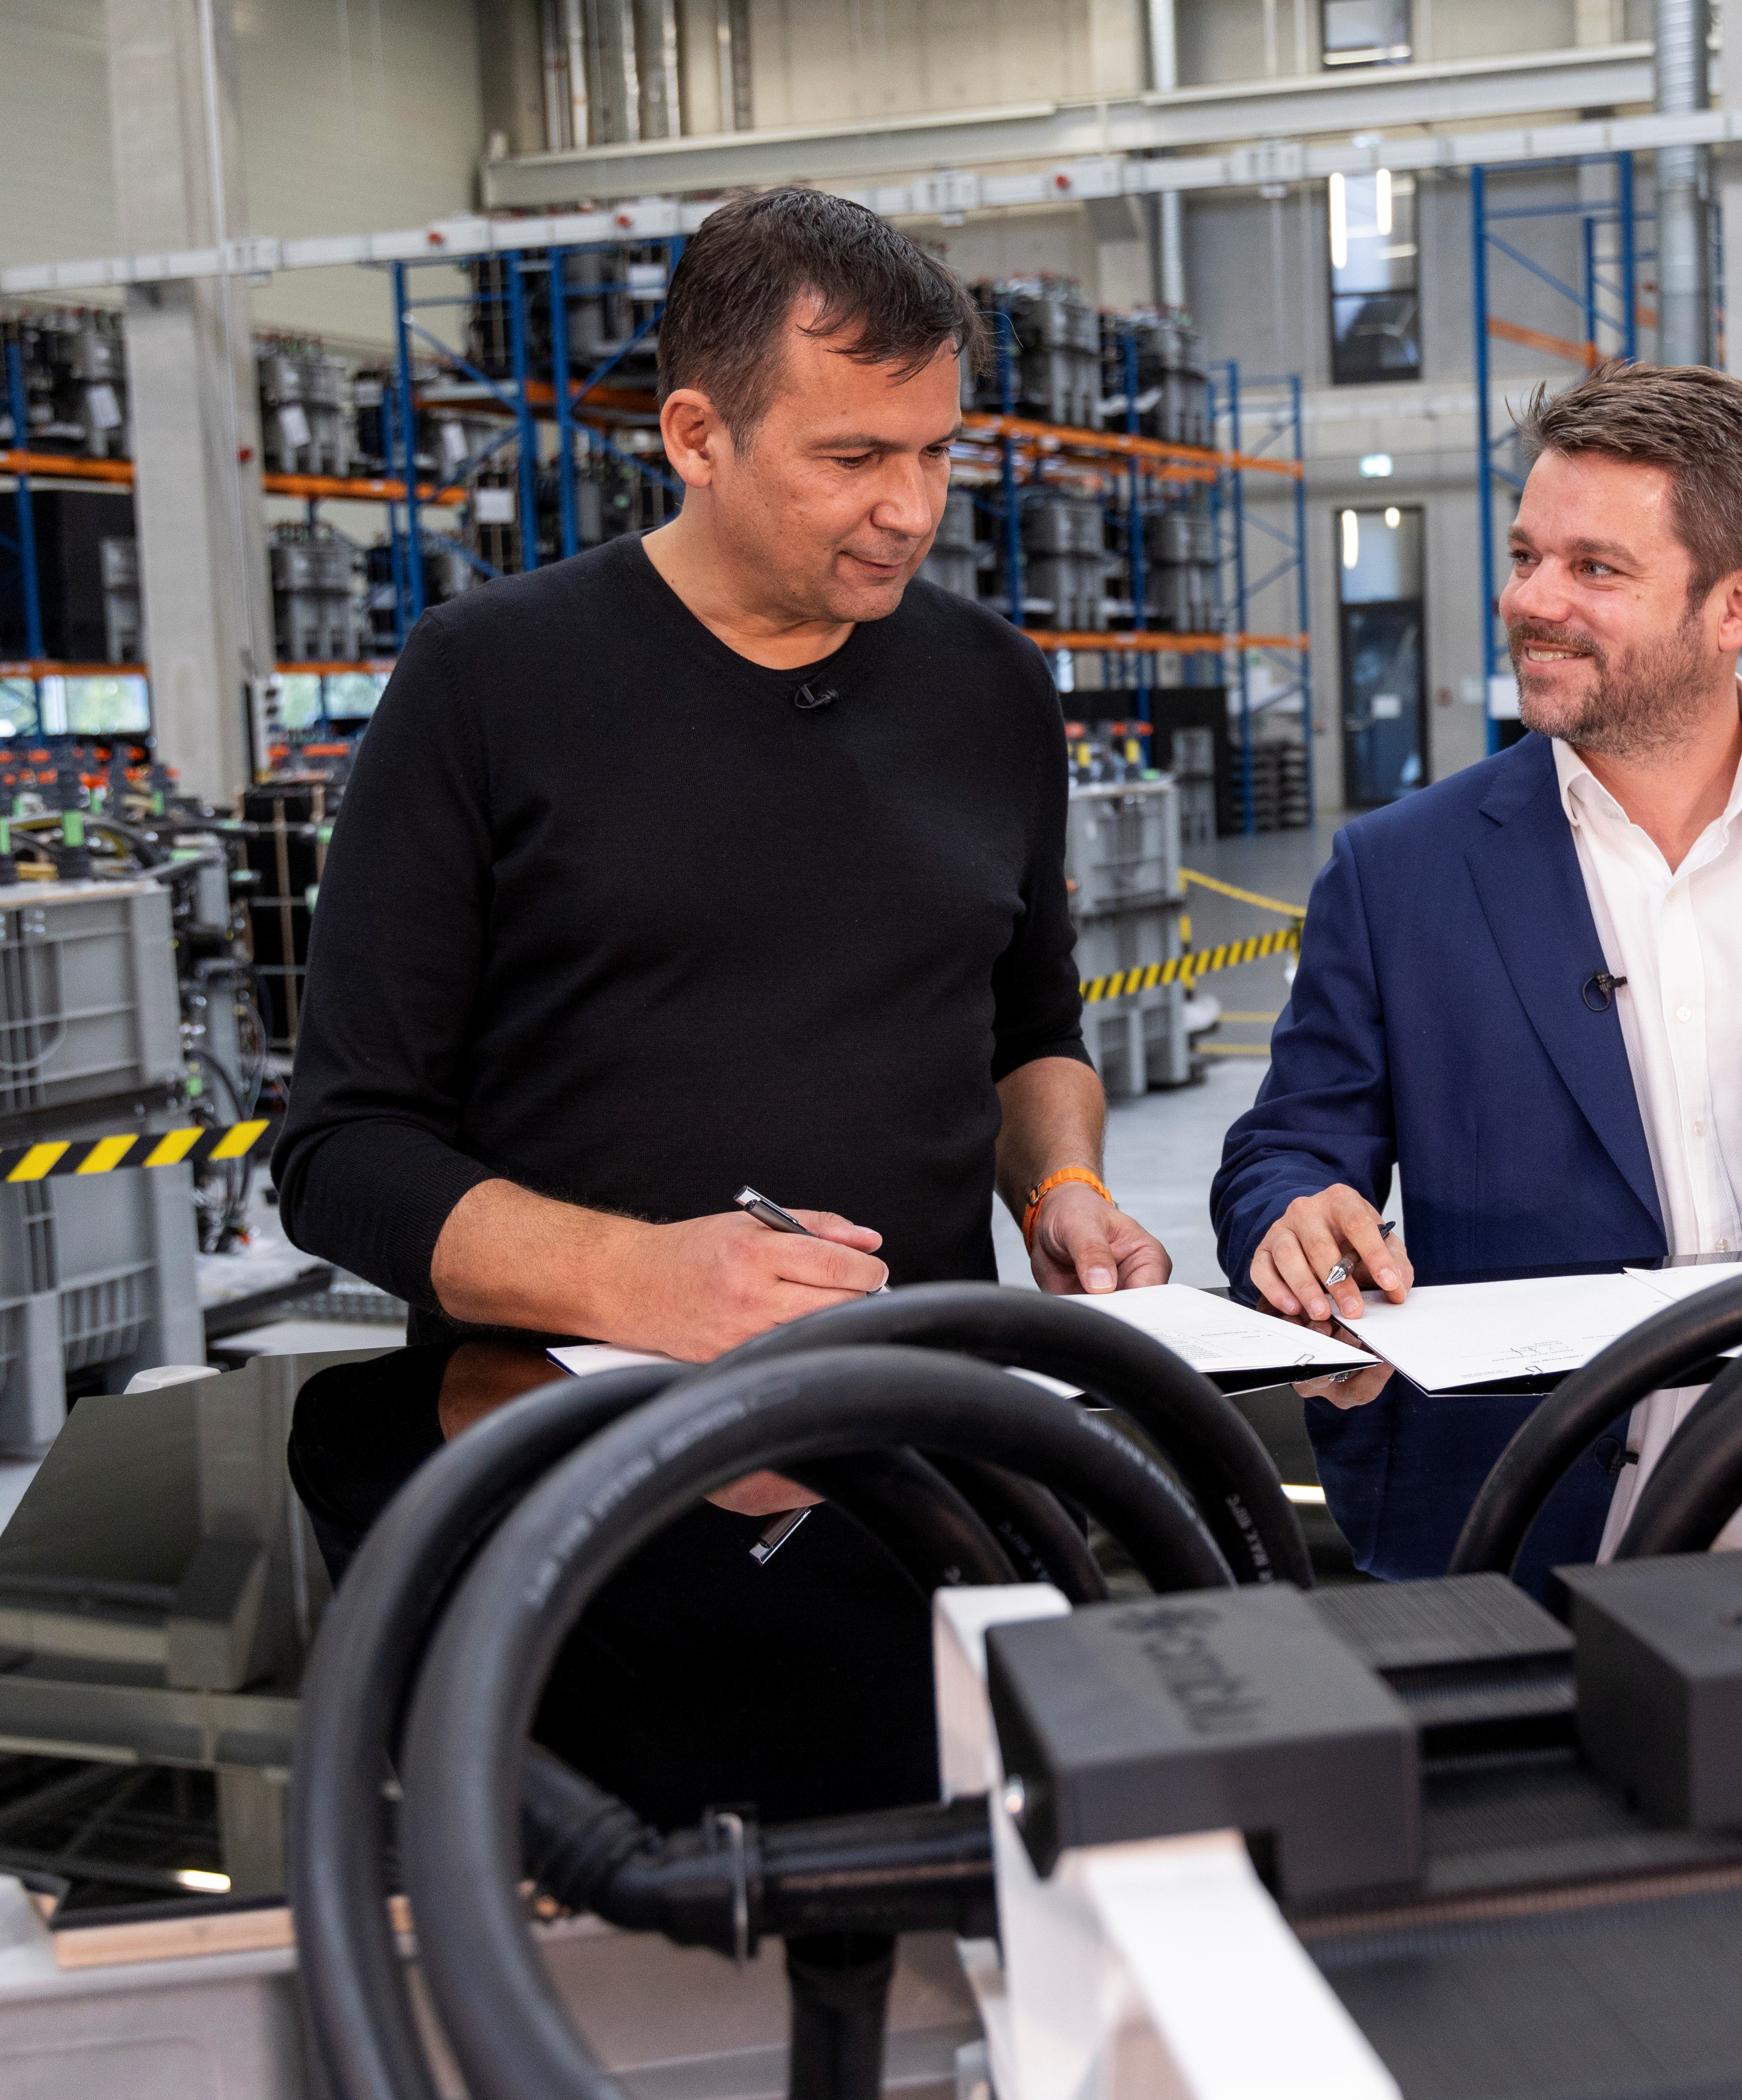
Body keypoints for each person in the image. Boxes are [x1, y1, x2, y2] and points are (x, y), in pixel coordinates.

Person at [273, 186, 1171, 1824]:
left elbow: (1031, 1032)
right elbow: (341, 1150)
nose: (910, 509)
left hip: (917, 1480)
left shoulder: (989, 689)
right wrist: (638, 1278)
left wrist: (1065, 1186)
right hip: (565, 1500)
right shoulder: (489, 685)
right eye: (852, 458)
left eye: (935, 452)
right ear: (696, 433)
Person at [1210, 360, 1742, 1590]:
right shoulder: (1396, 872)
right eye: (1526, 556)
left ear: (1737, 605)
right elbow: (1286, 1155)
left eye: (1595, 570)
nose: (1534, 601)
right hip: (1514, 1527)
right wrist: (1297, 1222)